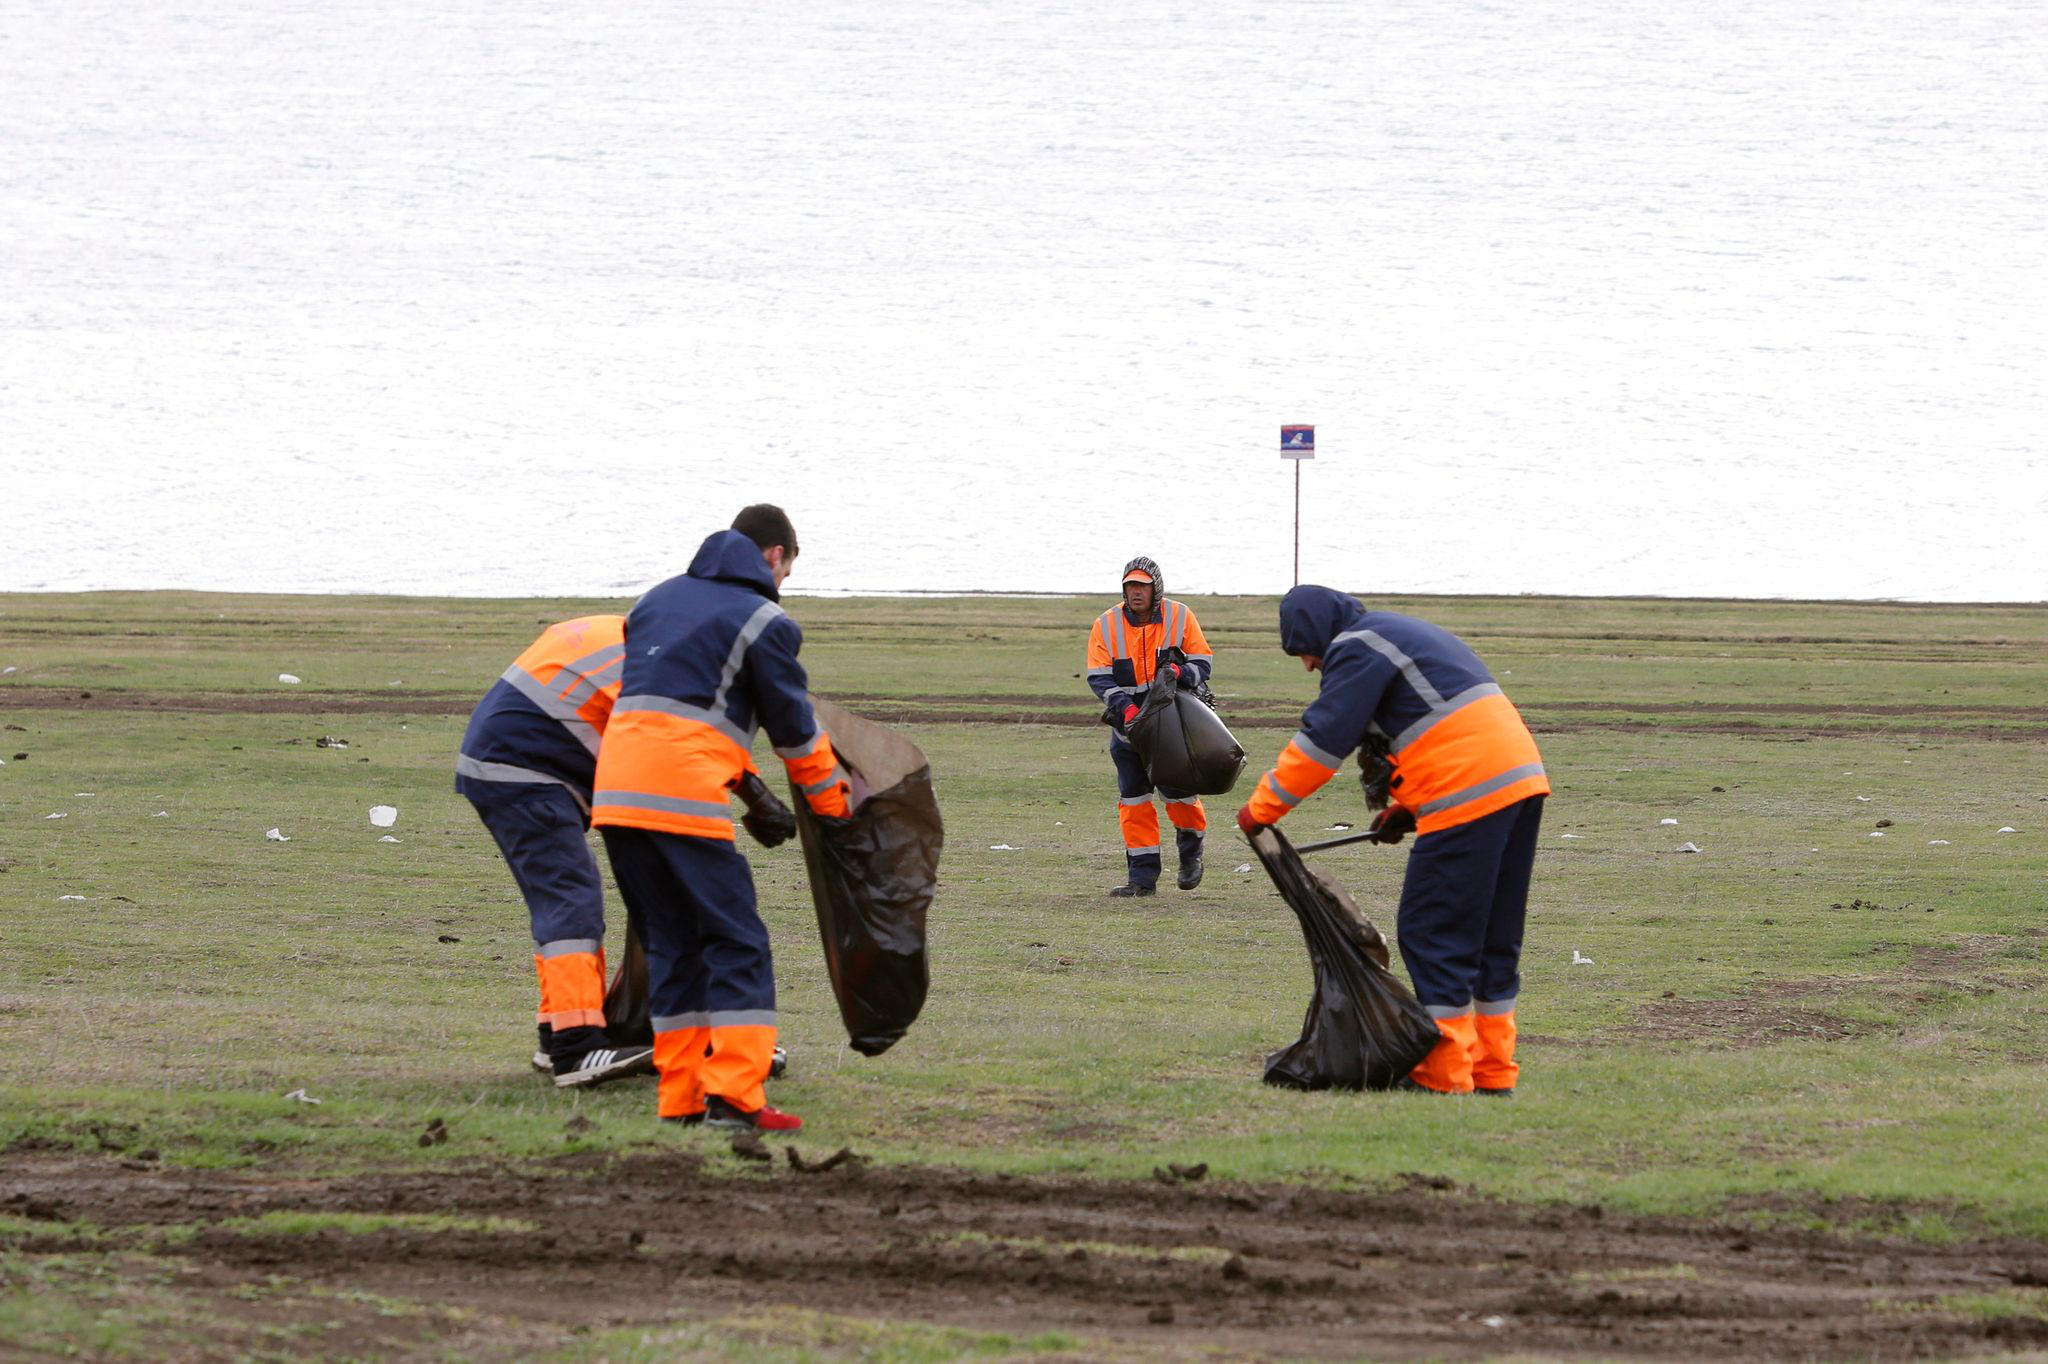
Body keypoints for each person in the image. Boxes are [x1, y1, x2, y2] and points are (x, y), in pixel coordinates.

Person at [592, 505, 850, 1133]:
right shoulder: (765, 620)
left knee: (671, 944)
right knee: (737, 943)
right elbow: (795, 735)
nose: (782, 583)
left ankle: (682, 1097)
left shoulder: (656, 600)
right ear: (775, 555)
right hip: (680, 797)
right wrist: (834, 808)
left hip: (616, 792)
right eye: (787, 570)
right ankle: (735, 1096)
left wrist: (744, 785)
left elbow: (680, 708)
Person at [1235, 586, 1549, 1097]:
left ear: (1320, 634)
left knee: (1433, 931)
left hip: (1468, 790)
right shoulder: (1397, 633)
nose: (1309, 665)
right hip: (1520, 781)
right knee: (1493, 935)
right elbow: (1441, 724)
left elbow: (1324, 741)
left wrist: (1261, 810)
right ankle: (1492, 1070)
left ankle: (1443, 1074)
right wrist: (1408, 808)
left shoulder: (1356, 646)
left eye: (1305, 652)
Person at [456, 614, 656, 1088]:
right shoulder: (659, 661)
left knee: (566, 900)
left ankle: (556, 1037)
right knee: (570, 901)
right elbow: (659, 754)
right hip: (523, 771)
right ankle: (575, 1048)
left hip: (509, 761)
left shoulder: (623, 634)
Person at [1085, 556, 1215, 896]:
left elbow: (1203, 662)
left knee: (1180, 797)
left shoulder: (1181, 615)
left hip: (1171, 729)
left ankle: (1191, 855)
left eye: (1142, 585)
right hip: (1127, 731)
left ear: (1156, 587)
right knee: (1134, 802)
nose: (1136, 592)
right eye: (1130, 586)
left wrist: (1179, 672)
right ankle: (1141, 881)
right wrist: (1126, 708)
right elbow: (1098, 677)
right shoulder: (1105, 624)